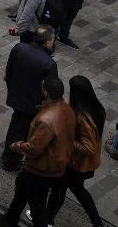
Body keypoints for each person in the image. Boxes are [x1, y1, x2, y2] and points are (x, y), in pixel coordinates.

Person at [0, 75, 76, 227]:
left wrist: (17, 145)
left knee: (38, 206)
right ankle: (10, 219)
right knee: (22, 188)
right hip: (54, 164)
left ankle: (12, 220)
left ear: (45, 93)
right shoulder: (67, 108)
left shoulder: (46, 120)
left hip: (41, 169)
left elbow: (34, 148)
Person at [45, 76, 105, 227]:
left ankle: (47, 220)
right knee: (77, 190)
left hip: (76, 164)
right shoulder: (97, 108)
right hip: (85, 165)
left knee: (58, 190)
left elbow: (88, 147)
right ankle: (97, 223)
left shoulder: (82, 117)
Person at [1, 25, 59, 171]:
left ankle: (8, 153)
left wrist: (11, 88)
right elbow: (51, 89)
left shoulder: (19, 48)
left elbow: (9, 71)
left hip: (16, 95)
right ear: (47, 42)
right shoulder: (49, 63)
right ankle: (11, 161)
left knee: (15, 124)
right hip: (32, 103)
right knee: (23, 131)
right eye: (52, 39)